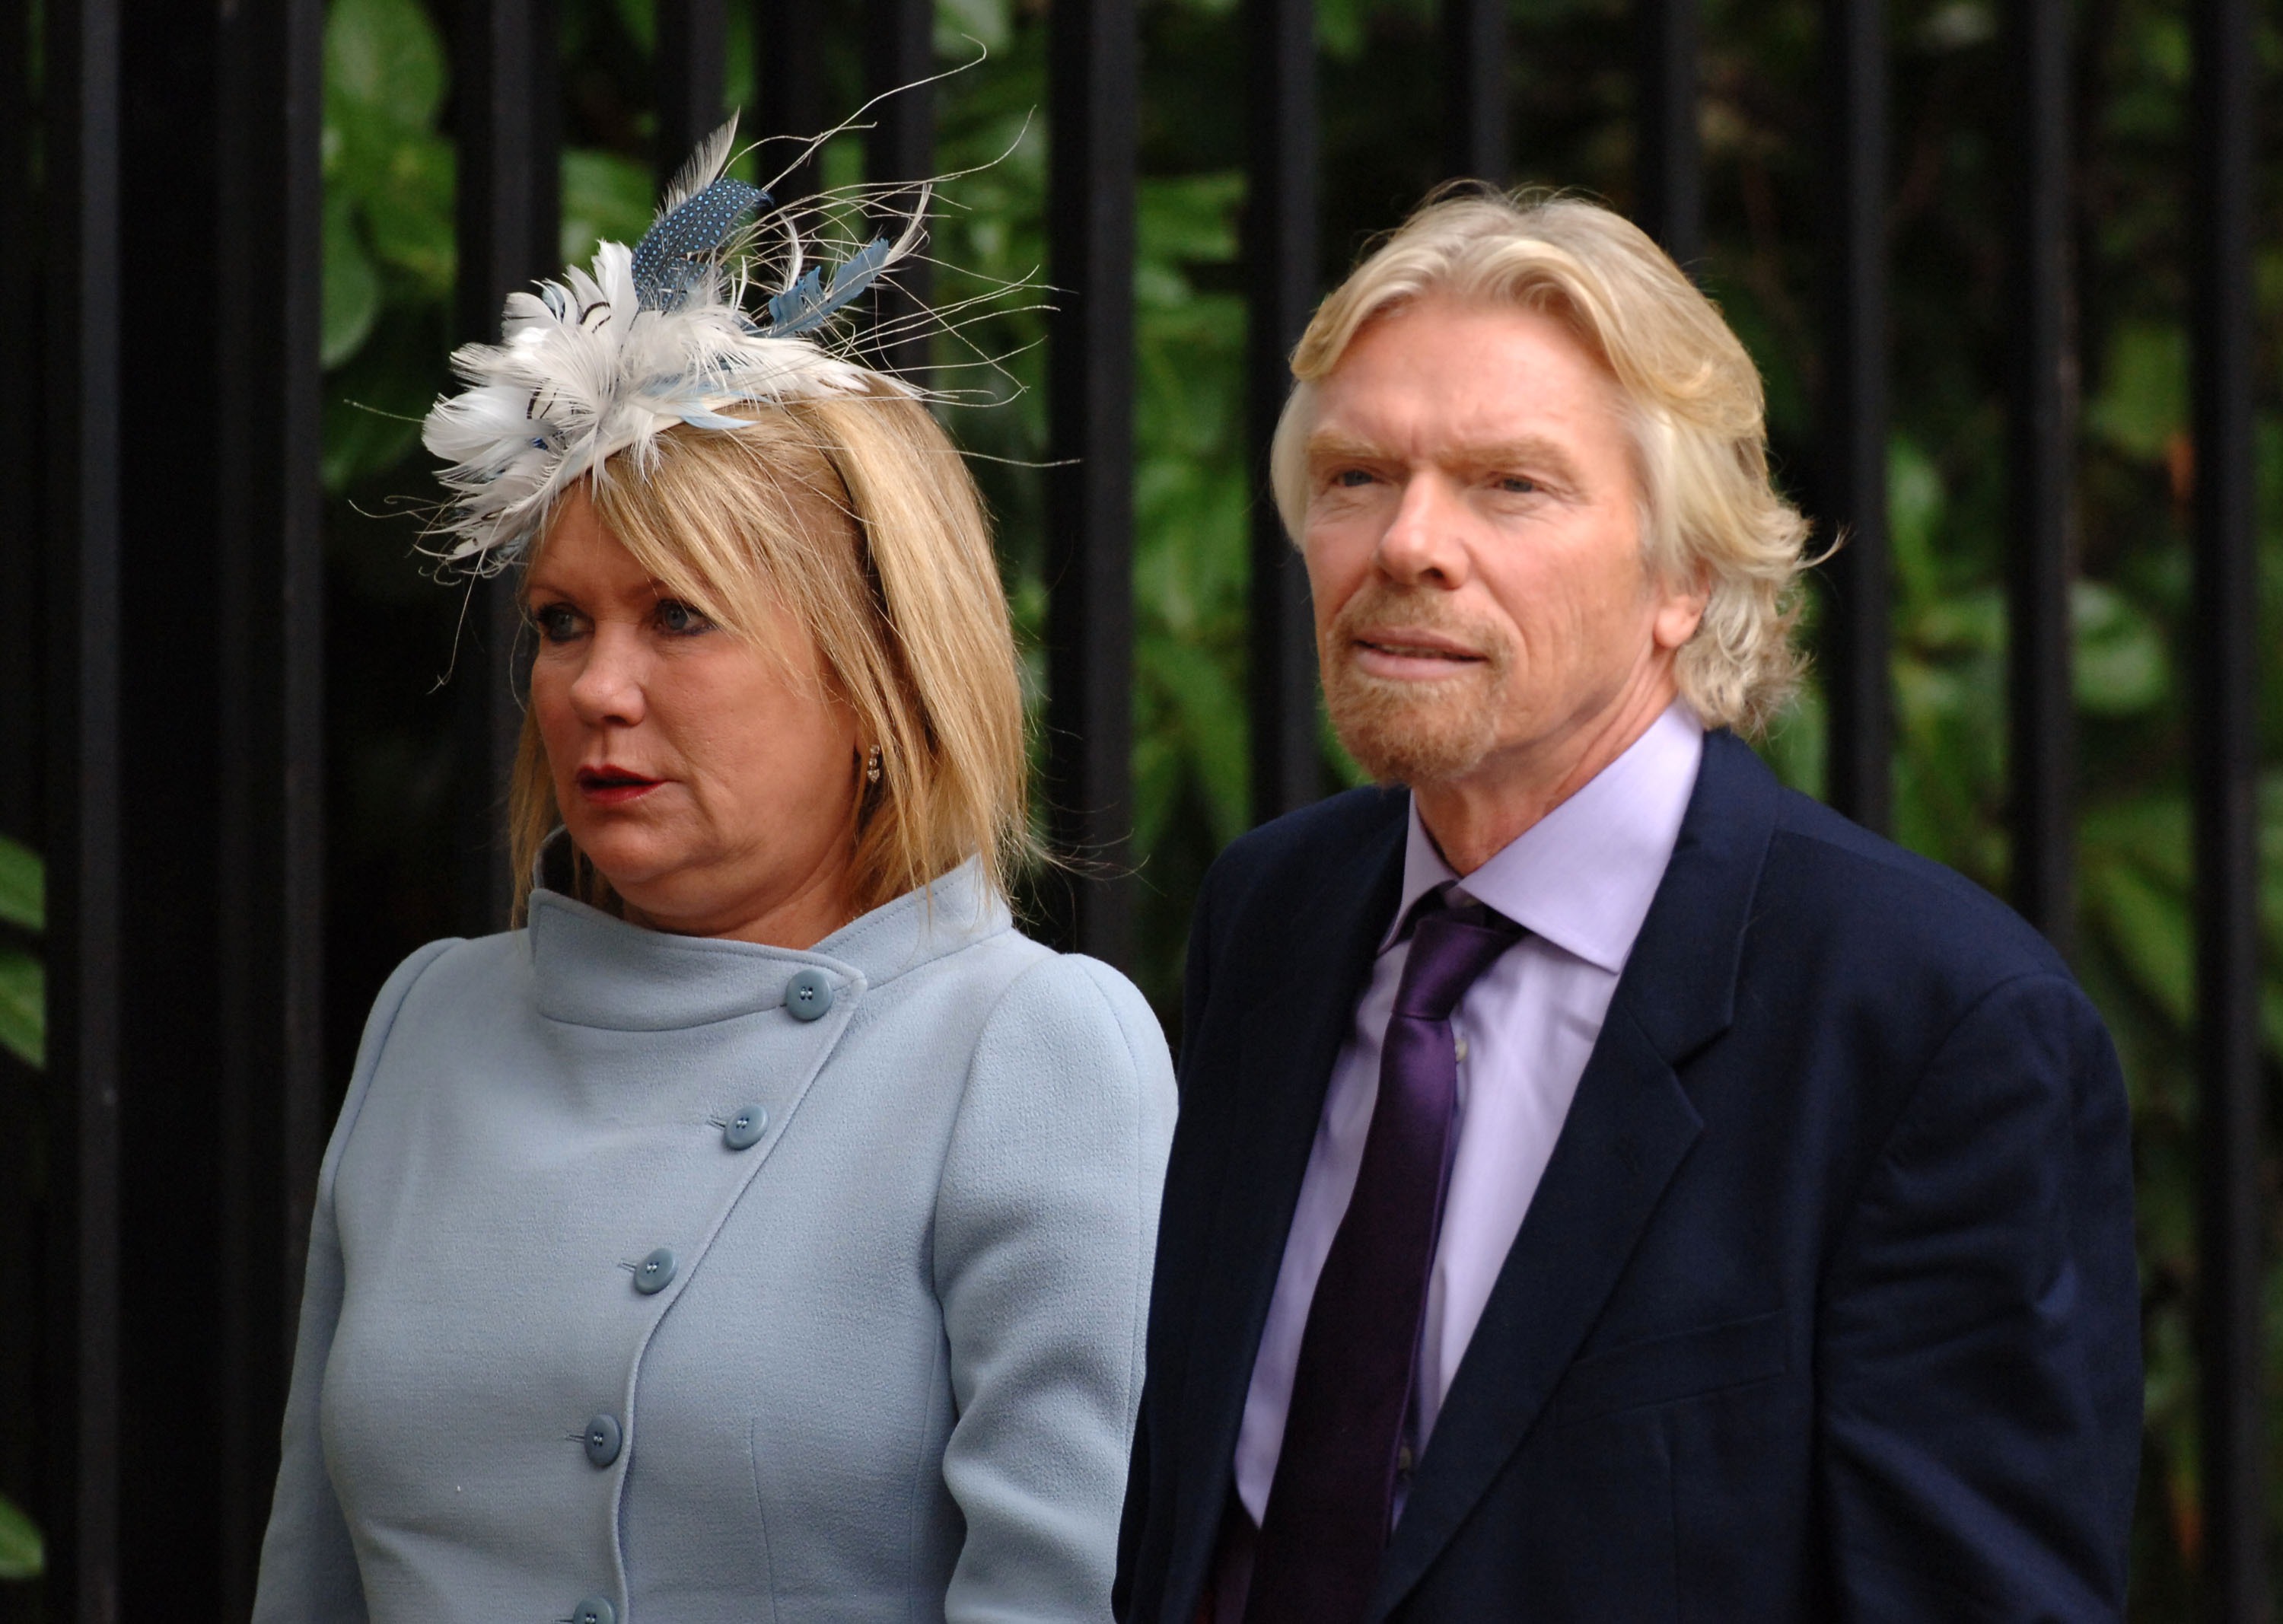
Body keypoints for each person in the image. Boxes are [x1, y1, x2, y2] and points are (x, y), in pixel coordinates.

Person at [1116, 192, 2138, 1622]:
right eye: (1356, 477)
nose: (1406, 541)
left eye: (1508, 485)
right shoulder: (1273, 911)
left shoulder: (1930, 1027)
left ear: (1687, 575)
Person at [252, 127, 1176, 1624]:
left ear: (877, 677)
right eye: (561, 622)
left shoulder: (1025, 1042)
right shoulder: (434, 1015)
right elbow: (311, 1571)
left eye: (678, 617)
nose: (595, 689)